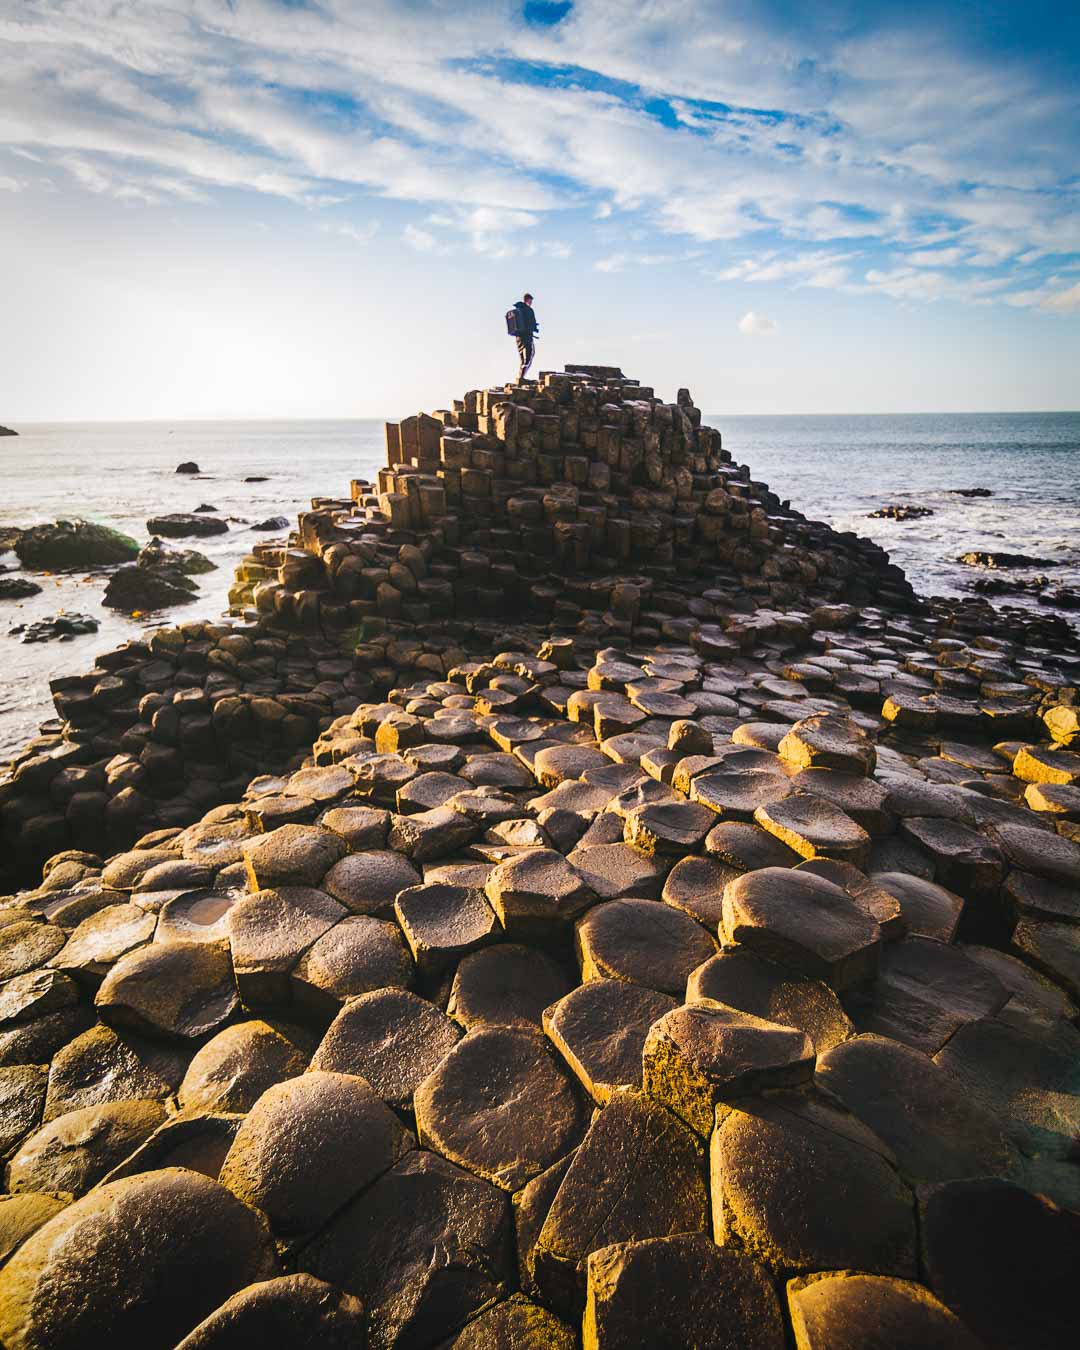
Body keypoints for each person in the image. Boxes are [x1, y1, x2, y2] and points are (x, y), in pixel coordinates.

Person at [513, 293, 539, 381]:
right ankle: (521, 378)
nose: (531, 303)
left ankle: (521, 377)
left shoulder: (518, 309)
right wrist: (535, 328)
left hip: (518, 338)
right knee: (529, 356)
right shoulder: (529, 310)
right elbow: (531, 322)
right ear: (528, 300)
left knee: (523, 358)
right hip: (527, 337)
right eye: (530, 301)